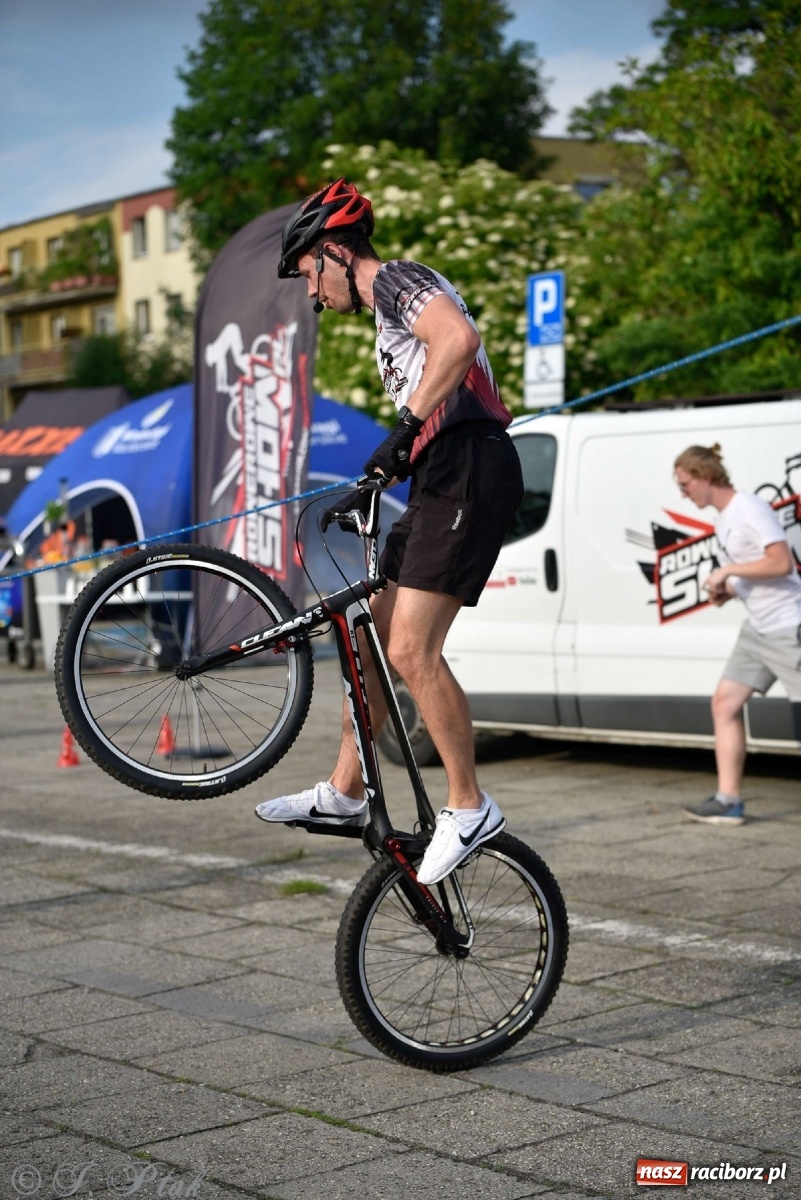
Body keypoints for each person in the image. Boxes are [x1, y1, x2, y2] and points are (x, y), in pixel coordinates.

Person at [255, 178, 524, 884]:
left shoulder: (397, 280)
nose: (313, 294)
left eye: (309, 272)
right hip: (440, 474)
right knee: (371, 640)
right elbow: (428, 393)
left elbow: (458, 341)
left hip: (470, 467)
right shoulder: (386, 318)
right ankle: (345, 792)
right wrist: (382, 469)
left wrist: (404, 431)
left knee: (411, 647)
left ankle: (468, 806)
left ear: (335, 251)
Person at [673, 443, 801, 825]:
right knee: (724, 704)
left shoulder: (749, 508)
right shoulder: (723, 519)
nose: (682, 492)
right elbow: (751, 569)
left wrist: (727, 573)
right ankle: (728, 801)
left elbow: (781, 563)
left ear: (705, 476)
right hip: (757, 629)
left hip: (786, 626)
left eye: (684, 484)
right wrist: (725, 591)